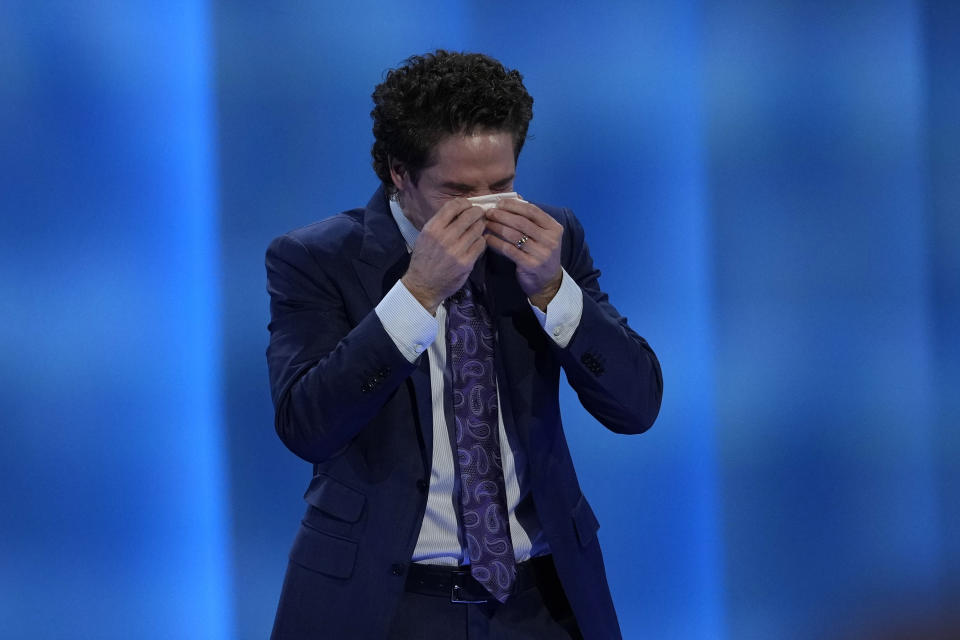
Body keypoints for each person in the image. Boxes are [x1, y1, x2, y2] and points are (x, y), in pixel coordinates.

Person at [265, 50, 662, 639]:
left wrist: (554, 290)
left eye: (501, 186)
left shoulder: (550, 238)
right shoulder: (318, 259)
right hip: (388, 603)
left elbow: (636, 407)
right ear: (399, 174)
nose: (485, 210)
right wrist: (417, 293)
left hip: (541, 602)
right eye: (457, 192)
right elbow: (308, 425)